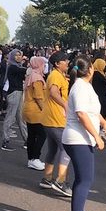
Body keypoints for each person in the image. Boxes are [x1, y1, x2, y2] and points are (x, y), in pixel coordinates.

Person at [62, 55, 106, 211]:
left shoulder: (85, 86)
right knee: (85, 180)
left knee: (82, 179)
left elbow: (92, 111)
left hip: (81, 139)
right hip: (77, 139)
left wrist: (103, 122)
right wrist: (97, 136)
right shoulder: (80, 87)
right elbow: (81, 114)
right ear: (90, 69)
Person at [40, 51, 72, 196]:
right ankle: (60, 181)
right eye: (65, 61)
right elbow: (53, 92)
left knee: (52, 150)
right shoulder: (55, 76)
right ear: (57, 64)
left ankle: (46, 178)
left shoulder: (59, 75)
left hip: (50, 118)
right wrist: (64, 104)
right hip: (55, 119)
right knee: (66, 149)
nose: (68, 63)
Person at [23, 56, 47, 171]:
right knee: (42, 134)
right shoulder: (37, 78)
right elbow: (38, 97)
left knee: (32, 135)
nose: (45, 66)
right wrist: (46, 110)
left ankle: (31, 159)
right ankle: (35, 158)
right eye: (43, 64)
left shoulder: (30, 75)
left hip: (28, 109)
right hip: (35, 111)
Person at [1, 49, 27, 151]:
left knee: (20, 118)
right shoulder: (12, 67)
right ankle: (5, 141)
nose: (18, 57)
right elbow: (23, 71)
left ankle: (27, 139)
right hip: (14, 93)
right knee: (10, 118)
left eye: (19, 55)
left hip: (19, 92)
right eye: (16, 55)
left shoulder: (17, 66)